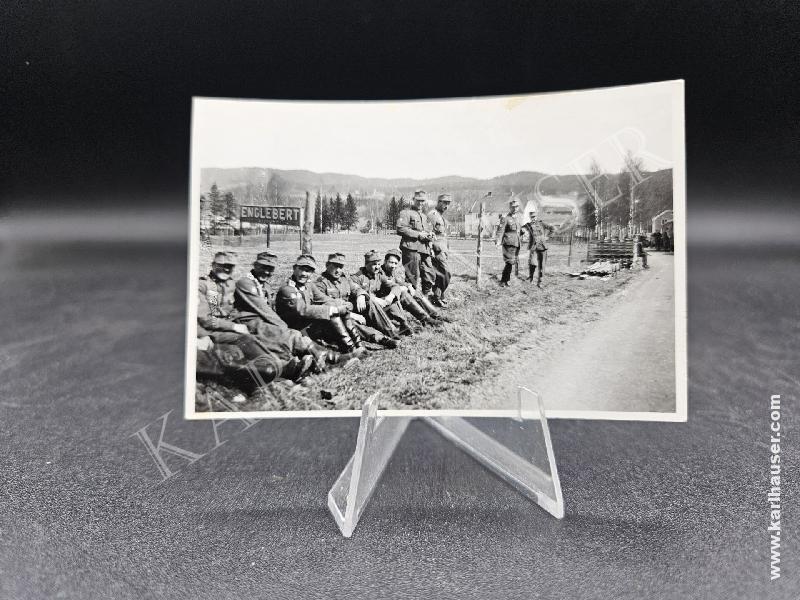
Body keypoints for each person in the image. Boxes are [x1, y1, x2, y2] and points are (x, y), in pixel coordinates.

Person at [233, 251, 341, 374]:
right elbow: (263, 309)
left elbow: (269, 309)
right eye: (263, 267)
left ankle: (326, 359)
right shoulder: (246, 283)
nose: (266, 272)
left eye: (270, 269)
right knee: (289, 335)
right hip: (246, 325)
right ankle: (323, 360)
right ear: (255, 265)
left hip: (261, 324)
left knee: (290, 336)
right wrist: (282, 328)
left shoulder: (265, 285)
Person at [275, 254, 365, 356]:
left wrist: (344, 305)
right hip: (293, 331)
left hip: (307, 327)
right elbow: (303, 310)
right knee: (331, 312)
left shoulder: (308, 285)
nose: (304, 274)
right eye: (302, 269)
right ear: (294, 268)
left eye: (308, 271)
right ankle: (350, 349)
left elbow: (324, 298)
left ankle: (358, 346)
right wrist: (332, 310)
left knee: (333, 307)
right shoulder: (287, 289)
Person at [313, 252, 399, 348]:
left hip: (347, 311)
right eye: (335, 266)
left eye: (340, 267)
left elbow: (356, 288)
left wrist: (360, 295)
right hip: (332, 319)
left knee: (368, 302)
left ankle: (391, 332)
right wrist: (351, 314)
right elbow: (325, 306)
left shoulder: (343, 279)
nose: (338, 270)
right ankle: (381, 339)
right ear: (327, 265)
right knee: (348, 321)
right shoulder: (320, 284)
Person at [351, 250, 431, 335]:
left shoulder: (378, 275)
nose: (377, 267)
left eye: (378, 264)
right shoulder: (357, 277)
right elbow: (356, 289)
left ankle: (406, 325)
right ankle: (396, 331)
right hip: (366, 311)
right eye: (374, 264)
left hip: (379, 307)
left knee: (394, 299)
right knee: (388, 302)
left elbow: (395, 285)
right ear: (366, 264)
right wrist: (368, 297)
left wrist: (391, 296)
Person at [382, 249, 451, 322]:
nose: (393, 266)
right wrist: (401, 288)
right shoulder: (380, 272)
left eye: (395, 263)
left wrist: (409, 286)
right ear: (385, 261)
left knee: (415, 293)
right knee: (405, 294)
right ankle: (426, 319)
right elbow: (389, 285)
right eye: (391, 262)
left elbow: (399, 282)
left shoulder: (390, 271)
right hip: (384, 303)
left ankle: (435, 315)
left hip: (393, 299)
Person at [198, 251, 249, 344]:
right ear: (213, 265)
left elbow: (235, 308)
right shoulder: (202, 285)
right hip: (209, 331)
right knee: (247, 340)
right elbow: (205, 320)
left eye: (230, 266)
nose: (226, 269)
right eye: (222, 265)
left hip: (227, 325)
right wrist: (233, 326)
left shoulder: (231, 284)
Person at [396, 190, 435, 296]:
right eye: (418, 200)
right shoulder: (405, 213)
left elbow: (427, 231)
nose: (420, 203)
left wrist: (430, 235)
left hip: (425, 249)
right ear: (413, 200)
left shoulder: (424, 216)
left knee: (429, 274)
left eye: (422, 201)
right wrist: (418, 234)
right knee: (412, 277)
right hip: (411, 249)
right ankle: (409, 300)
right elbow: (400, 228)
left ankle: (426, 299)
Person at [427, 193, 452, 306]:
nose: (446, 206)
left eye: (448, 203)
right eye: (444, 203)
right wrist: (430, 249)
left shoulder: (441, 217)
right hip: (436, 251)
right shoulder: (432, 215)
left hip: (443, 250)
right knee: (447, 273)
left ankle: (438, 296)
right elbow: (428, 233)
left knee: (440, 275)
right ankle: (437, 296)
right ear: (439, 202)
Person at [494, 198, 523, 286]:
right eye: (513, 207)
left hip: (516, 243)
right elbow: (500, 230)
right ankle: (504, 281)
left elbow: (518, 231)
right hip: (508, 243)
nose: (515, 209)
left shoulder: (518, 219)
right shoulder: (505, 218)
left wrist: (523, 233)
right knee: (509, 262)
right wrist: (498, 241)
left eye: (516, 207)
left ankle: (506, 280)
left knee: (511, 262)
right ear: (510, 208)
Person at [520, 209, 548, 286]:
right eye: (532, 217)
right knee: (532, 262)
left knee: (542, 264)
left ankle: (540, 281)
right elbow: (520, 230)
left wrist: (547, 237)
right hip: (534, 246)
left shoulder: (542, 224)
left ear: (537, 216)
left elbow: (552, 228)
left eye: (534, 216)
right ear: (530, 217)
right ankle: (531, 277)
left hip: (542, 246)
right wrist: (521, 232)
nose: (533, 218)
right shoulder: (528, 225)